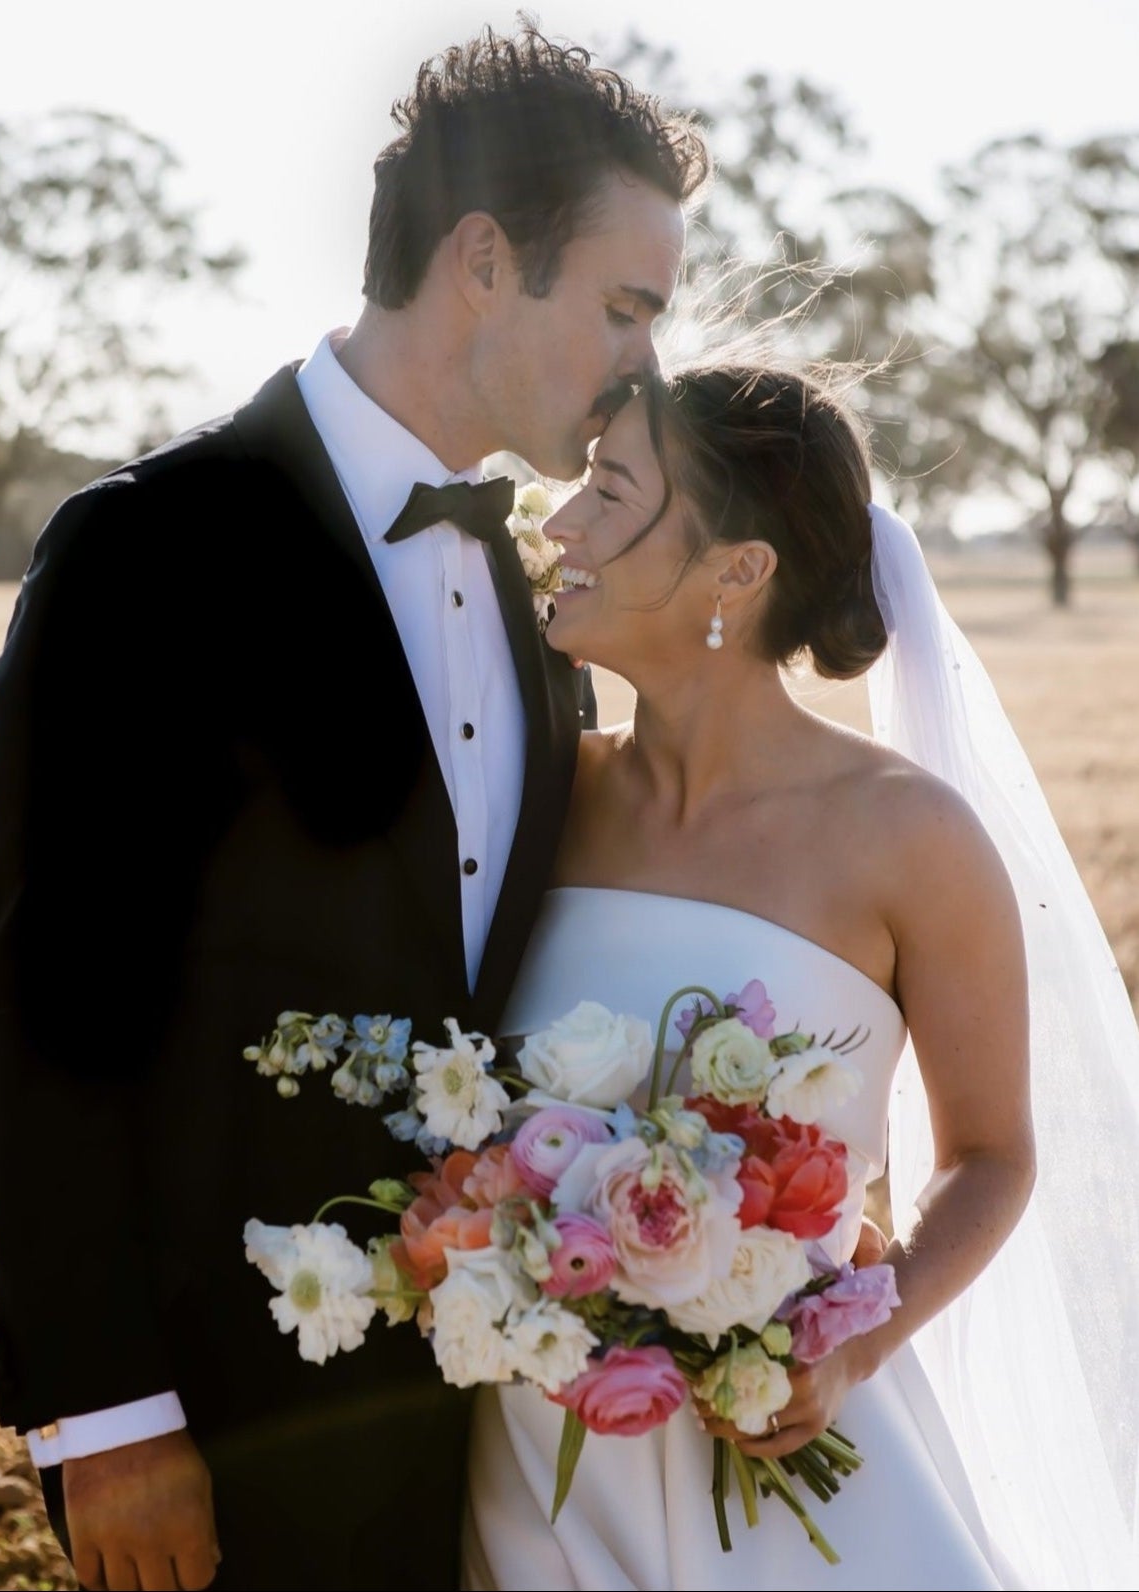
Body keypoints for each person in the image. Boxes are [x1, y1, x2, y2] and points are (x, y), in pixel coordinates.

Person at [0, 26, 705, 1592]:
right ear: (485, 258)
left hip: (490, 1415)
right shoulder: (144, 555)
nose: (647, 358)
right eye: (626, 305)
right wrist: (108, 1414)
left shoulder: (535, 591)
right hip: (219, 1421)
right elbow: (50, 1013)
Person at [462, 364, 1139, 1589]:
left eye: (611, 490)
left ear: (739, 569)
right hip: (538, 1466)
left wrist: (855, 1345)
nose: (558, 524)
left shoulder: (909, 836)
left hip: (785, 1471)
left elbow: (993, 1153)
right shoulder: (537, 795)